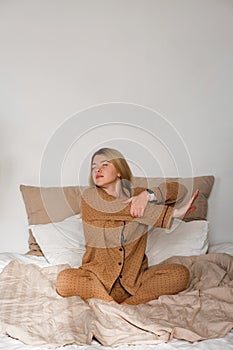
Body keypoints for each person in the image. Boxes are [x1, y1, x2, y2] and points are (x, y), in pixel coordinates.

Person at [56, 147, 199, 305]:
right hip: (97, 280)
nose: (97, 169)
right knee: (65, 280)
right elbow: (123, 209)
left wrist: (147, 195)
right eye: (93, 167)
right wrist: (175, 213)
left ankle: (126, 306)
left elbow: (180, 190)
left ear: (119, 171)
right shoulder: (90, 198)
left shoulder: (139, 196)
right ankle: (112, 305)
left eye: (104, 164)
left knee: (180, 274)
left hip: (135, 281)